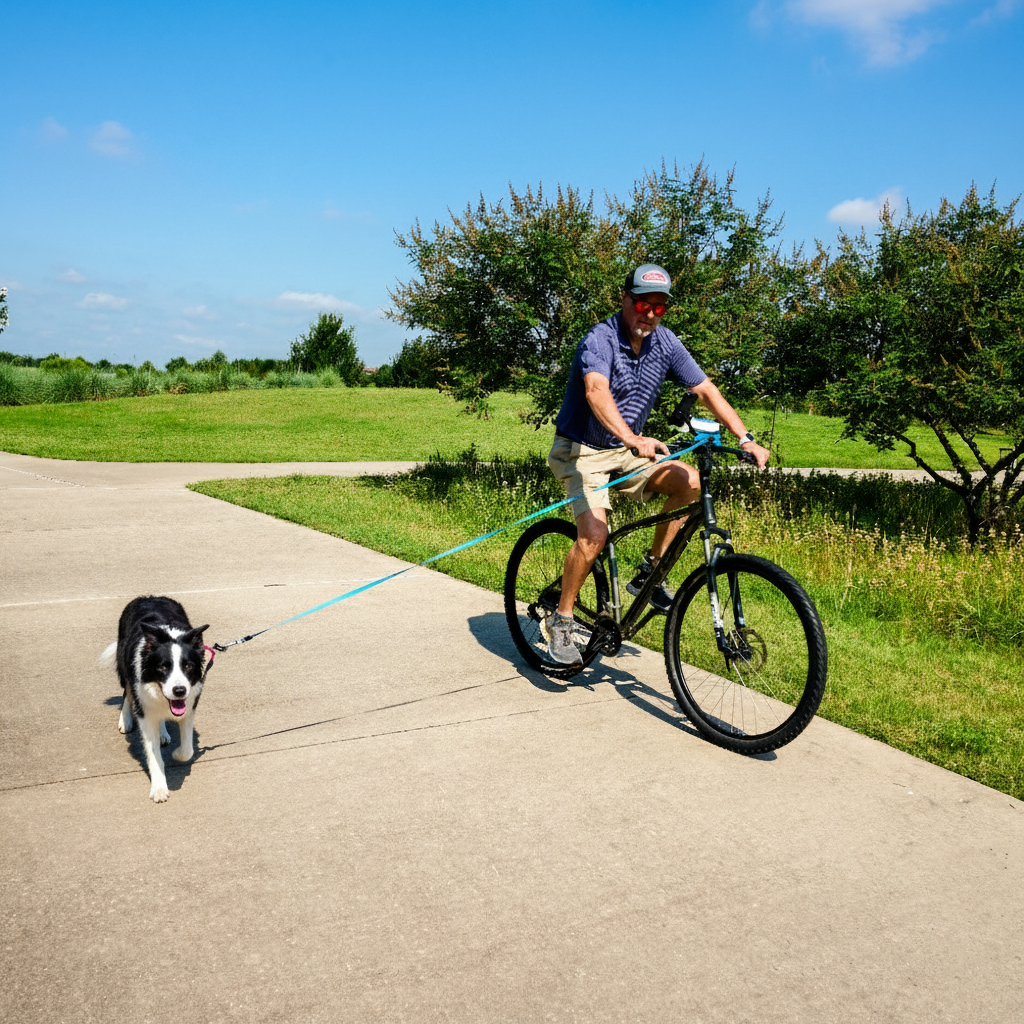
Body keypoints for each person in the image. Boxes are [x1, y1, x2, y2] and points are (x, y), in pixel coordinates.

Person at [545, 263, 771, 665]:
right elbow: (596, 391)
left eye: (659, 307)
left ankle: (650, 570)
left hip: (628, 450)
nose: (649, 313)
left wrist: (745, 437)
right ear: (624, 299)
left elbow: (705, 390)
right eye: (642, 303)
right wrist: (632, 438)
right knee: (595, 533)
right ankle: (562, 619)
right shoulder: (599, 339)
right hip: (581, 450)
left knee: (691, 482)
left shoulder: (665, 344)